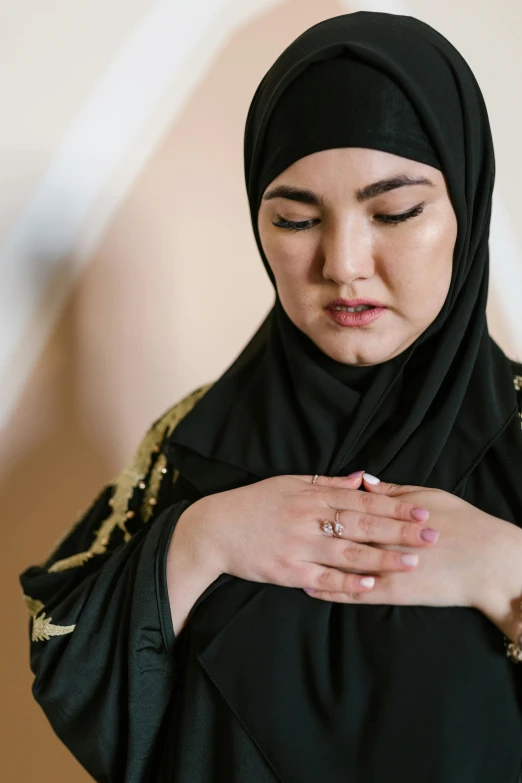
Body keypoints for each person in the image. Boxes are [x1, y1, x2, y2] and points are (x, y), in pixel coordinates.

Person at [19, 10, 522, 783]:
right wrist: (200, 540)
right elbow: (71, 662)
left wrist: (506, 566)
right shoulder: (194, 442)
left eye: (395, 211)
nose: (344, 263)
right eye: (294, 218)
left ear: (468, 206)